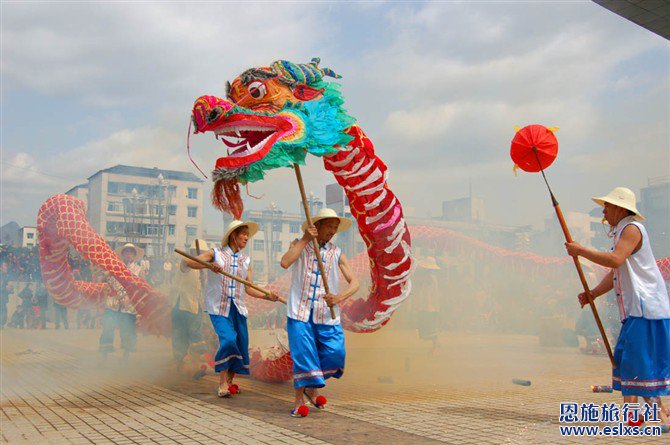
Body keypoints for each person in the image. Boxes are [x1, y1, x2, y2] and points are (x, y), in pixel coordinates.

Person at [565, 187, 670, 431]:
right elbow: (616, 272)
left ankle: (662, 415)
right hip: (636, 311)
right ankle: (633, 416)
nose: (604, 211)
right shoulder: (623, 231)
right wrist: (593, 294)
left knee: (636, 364)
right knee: (625, 362)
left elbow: (614, 260)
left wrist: (581, 251)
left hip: (647, 310)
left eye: (607, 206)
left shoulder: (632, 229)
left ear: (621, 209)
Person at [182, 220, 279, 397]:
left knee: (241, 345)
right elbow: (191, 262)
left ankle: (229, 381)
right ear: (233, 235)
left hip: (238, 308)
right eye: (243, 234)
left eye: (248, 235)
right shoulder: (216, 253)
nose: (246, 238)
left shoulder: (246, 260)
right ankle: (222, 385)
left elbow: (248, 288)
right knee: (228, 340)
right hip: (219, 307)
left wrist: (267, 296)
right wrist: (209, 265)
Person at [280, 208, 360, 417]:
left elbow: (355, 282)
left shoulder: (337, 252)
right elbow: (285, 262)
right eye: (330, 226)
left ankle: (311, 385)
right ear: (319, 226)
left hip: (326, 312)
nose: (333, 231)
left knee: (336, 352)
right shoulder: (300, 245)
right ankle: (299, 399)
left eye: (335, 227)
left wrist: (339, 297)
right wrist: (305, 238)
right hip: (300, 310)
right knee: (304, 354)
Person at [99, 243, 146, 362]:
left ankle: (126, 355)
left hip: (129, 305)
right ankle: (104, 355)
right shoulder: (114, 266)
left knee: (127, 330)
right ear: (122, 254)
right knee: (108, 327)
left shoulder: (139, 270)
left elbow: (143, 287)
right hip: (113, 303)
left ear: (135, 255)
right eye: (126, 252)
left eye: (131, 252)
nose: (128, 254)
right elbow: (103, 279)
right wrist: (105, 275)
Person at [171, 240, 208, 371]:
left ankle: (195, 367)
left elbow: (202, 290)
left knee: (195, 336)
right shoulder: (186, 261)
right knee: (180, 335)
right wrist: (204, 265)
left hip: (195, 306)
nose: (203, 256)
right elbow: (186, 264)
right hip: (181, 304)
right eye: (201, 254)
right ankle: (179, 365)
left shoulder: (203, 269)